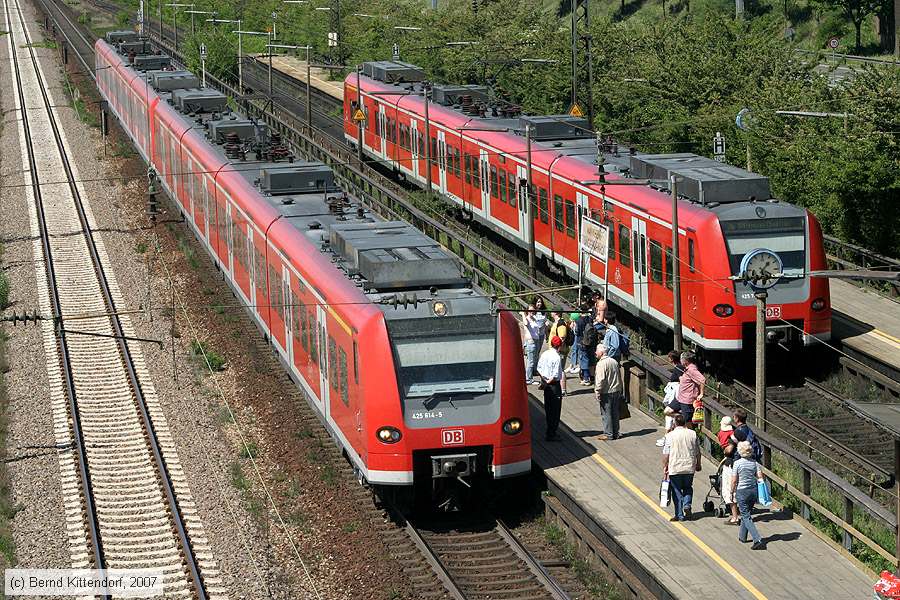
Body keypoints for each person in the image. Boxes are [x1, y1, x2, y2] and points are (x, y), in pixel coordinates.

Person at [662, 413, 701, 521]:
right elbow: (697, 451)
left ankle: (679, 515)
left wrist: (665, 466)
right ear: (684, 422)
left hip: (675, 467)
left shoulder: (669, 436)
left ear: (675, 423)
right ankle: (687, 505)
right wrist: (698, 464)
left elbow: (666, 454)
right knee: (688, 487)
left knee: (676, 491)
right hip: (689, 466)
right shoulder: (692, 434)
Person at [732, 440, 766, 550]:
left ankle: (757, 539)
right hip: (753, 491)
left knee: (746, 515)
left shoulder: (737, 463)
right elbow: (760, 477)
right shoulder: (754, 463)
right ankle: (742, 536)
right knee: (746, 513)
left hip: (742, 491)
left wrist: (732, 491)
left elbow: (734, 480)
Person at [537, 336, 565, 441]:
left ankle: (550, 431)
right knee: (555, 410)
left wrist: (544, 382)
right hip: (553, 385)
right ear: (559, 346)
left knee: (548, 409)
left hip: (545, 383)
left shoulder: (545, 354)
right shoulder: (557, 357)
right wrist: (548, 383)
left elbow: (539, 368)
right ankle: (552, 433)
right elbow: (555, 375)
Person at [594, 345, 623, 440]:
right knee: (615, 413)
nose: (595, 353)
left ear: (601, 353)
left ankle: (608, 434)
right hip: (616, 390)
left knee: (606, 413)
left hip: (606, 391)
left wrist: (597, 391)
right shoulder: (614, 361)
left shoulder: (601, 364)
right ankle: (616, 432)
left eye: (597, 351)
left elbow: (600, 379)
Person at [656, 350, 685, 446]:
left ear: (671, 358)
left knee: (669, 415)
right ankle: (668, 437)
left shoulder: (678, 368)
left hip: (675, 394)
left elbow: (681, 381)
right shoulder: (679, 367)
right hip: (675, 393)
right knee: (669, 416)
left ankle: (666, 438)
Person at [717, 416, 740, 525]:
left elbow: (727, 450)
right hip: (741, 462)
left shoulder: (721, 433)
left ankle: (734, 517)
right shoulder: (736, 432)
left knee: (729, 489)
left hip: (730, 463)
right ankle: (740, 512)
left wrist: (725, 450)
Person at [520, 303, 547, 384]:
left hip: (536, 341)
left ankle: (529, 377)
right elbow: (525, 323)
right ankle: (528, 379)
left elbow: (538, 328)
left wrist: (545, 326)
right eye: (530, 310)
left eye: (533, 310)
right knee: (530, 362)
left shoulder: (534, 319)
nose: (532, 311)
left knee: (534, 360)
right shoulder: (527, 318)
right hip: (530, 342)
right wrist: (523, 314)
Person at [677, 351, 705, 426]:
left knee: (687, 421)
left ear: (685, 360)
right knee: (671, 412)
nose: (680, 361)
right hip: (682, 398)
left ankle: (689, 435)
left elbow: (702, 379)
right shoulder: (687, 368)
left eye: (681, 359)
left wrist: (701, 393)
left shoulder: (691, 369)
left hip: (687, 400)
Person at [547, 312, 571, 395]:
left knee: (561, 370)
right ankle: (560, 389)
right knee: (558, 369)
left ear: (556, 313)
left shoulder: (561, 324)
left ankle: (563, 390)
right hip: (556, 350)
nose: (551, 313)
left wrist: (558, 349)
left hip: (560, 351)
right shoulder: (557, 323)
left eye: (552, 311)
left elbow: (562, 337)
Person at [576, 305, 595, 385]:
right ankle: (592, 378)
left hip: (582, 342)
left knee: (584, 360)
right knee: (591, 360)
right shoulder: (590, 319)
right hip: (591, 342)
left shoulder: (578, 320)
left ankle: (586, 379)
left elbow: (577, 332)